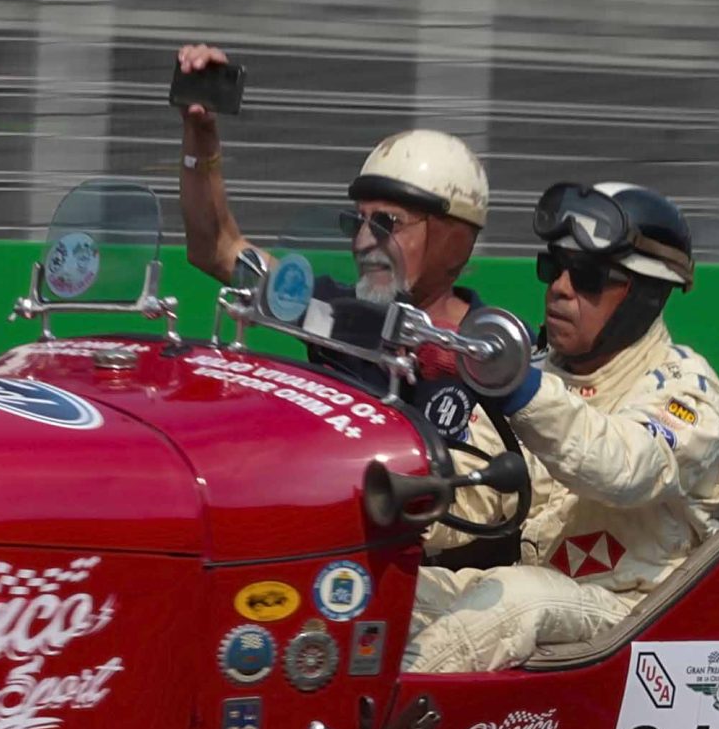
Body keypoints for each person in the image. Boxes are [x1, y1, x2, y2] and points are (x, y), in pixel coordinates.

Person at [403, 181, 719, 674]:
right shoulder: (544, 376)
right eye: (553, 267)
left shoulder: (689, 394)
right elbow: (476, 495)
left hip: (643, 617)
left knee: (520, 599)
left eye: (586, 276)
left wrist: (525, 392)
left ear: (645, 296)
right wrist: (392, 510)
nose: (560, 287)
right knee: (371, 590)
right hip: (546, 598)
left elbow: (624, 468)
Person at [174, 42, 492, 440]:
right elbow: (217, 248)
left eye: (385, 224)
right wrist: (200, 134)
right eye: (356, 222)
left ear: (451, 238)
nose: (361, 243)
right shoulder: (338, 317)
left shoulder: (498, 357)